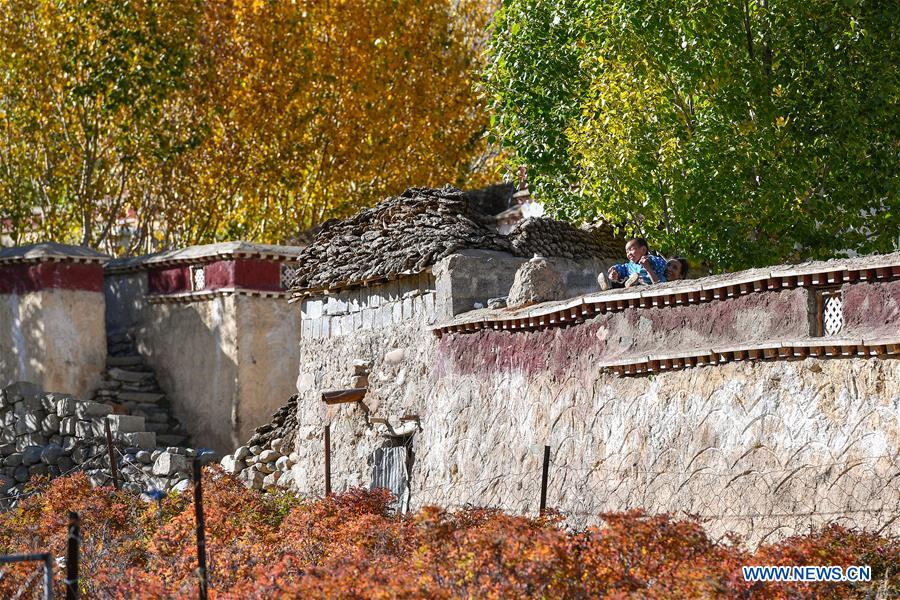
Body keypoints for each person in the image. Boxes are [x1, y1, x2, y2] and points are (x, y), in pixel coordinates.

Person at [597, 237, 667, 290]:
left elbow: (663, 267)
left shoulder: (652, 259)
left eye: (631, 249)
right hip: (634, 287)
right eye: (627, 252)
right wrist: (615, 270)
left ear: (643, 250)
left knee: (632, 281)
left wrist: (648, 266)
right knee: (622, 282)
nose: (629, 254)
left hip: (648, 285)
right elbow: (623, 268)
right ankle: (608, 283)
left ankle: (631, 283)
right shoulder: (630, 265)